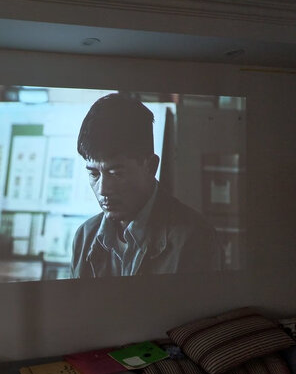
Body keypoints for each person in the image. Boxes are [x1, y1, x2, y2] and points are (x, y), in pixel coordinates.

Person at [71, 93, 222, 277]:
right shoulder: (85, 237)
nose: (103, 189)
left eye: (116, 173)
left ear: (151, 167)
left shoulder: (194, 238)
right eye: (94, 174)